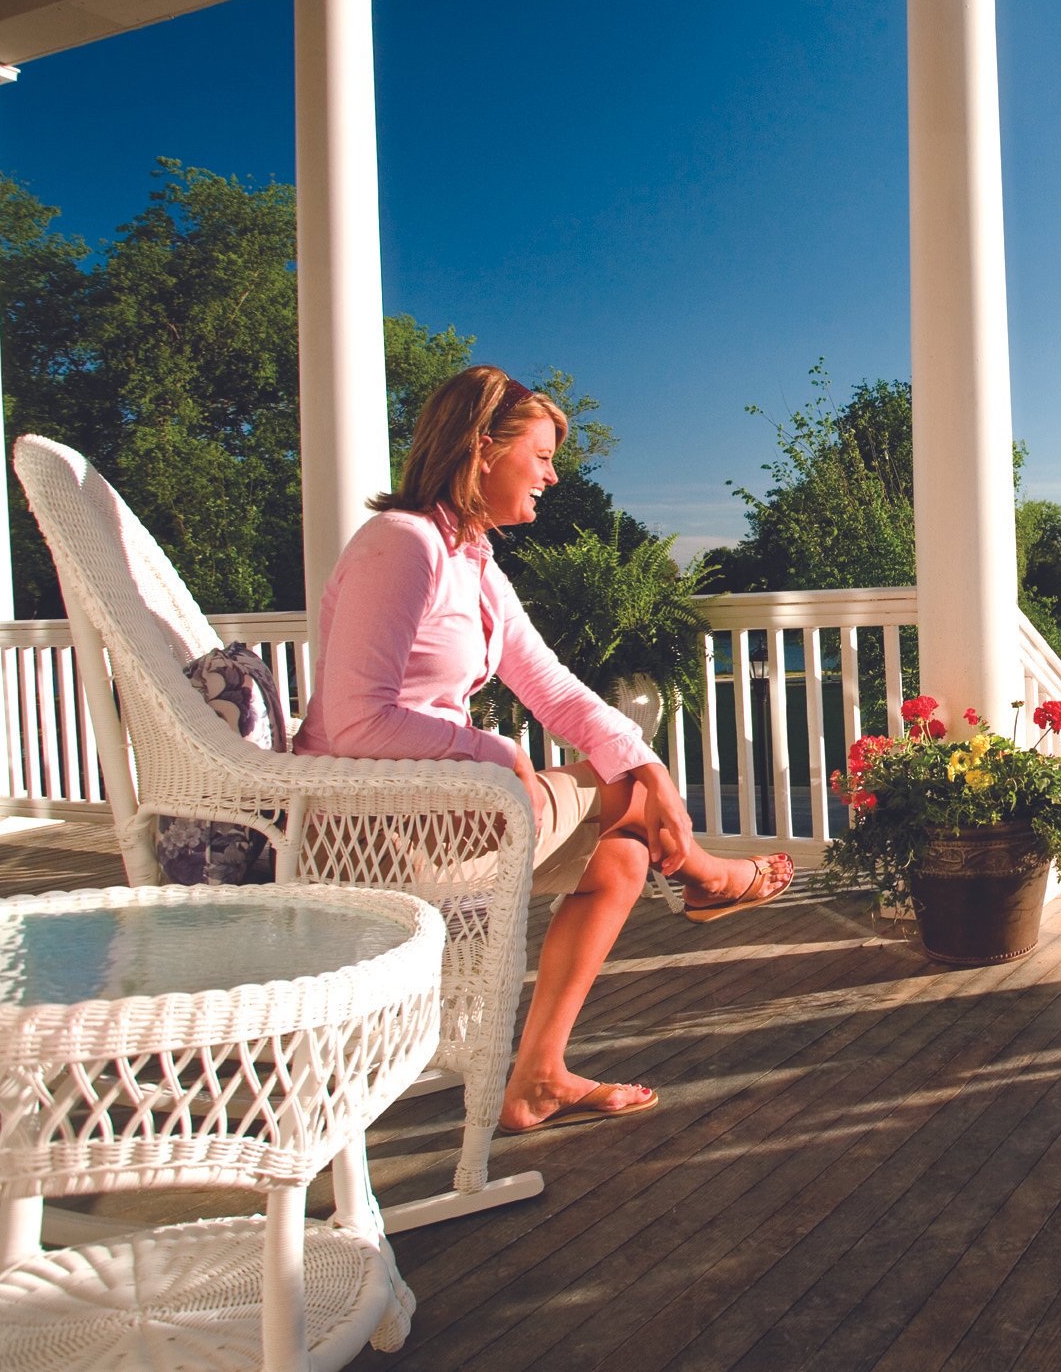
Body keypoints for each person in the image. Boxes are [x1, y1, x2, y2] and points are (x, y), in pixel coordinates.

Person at [295, 366, 793, 1135]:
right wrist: (494, 752)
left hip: (438, 815)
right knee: (619, 799)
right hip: (364, 830)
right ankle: (705, 876)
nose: (554, 475)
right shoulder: (402, 545)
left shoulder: (476, 564)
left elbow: (554, 690)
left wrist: (650, 765)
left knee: (624, 857)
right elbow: (357, 723)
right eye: (541, 454)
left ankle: (537, 1078)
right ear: (481, 450)